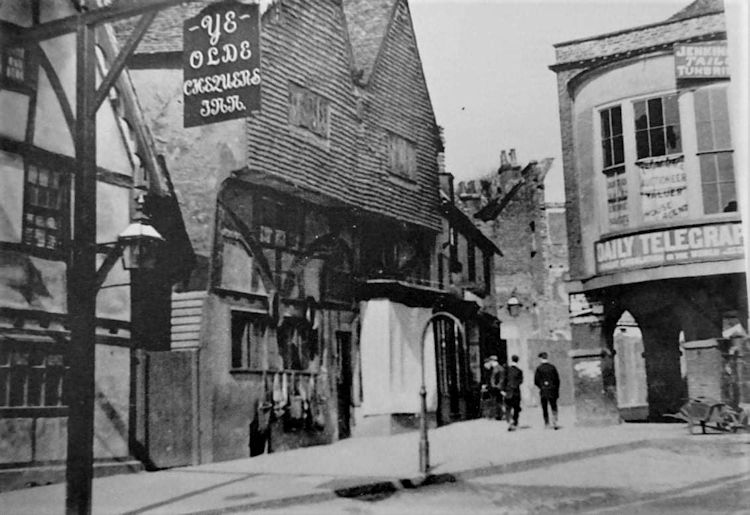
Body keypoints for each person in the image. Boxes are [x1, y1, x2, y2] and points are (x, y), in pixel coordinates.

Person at [534, 352, 561, 429]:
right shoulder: (552, 367)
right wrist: (555, 388)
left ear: (540, 358)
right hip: (552, 390)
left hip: (544, 390)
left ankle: (546, 423)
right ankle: (555, 420)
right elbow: (557, 380)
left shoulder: (539, 368)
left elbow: (536, 381)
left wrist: (542, 386)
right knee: (553, 405)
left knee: (544, 407)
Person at [503, 354, 523, 431]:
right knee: (516, 408)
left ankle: (509, 421)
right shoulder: (519, 371)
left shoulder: (507, 370)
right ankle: (515, 422)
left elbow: (504, 380)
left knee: (508, 407)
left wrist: (503, 390)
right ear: (517, 361)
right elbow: (520, 381)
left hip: (508, 392)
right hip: (516, 392)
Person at [483, 355, 505, 420]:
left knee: (498, 401)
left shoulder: (499, 368)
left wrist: (498, 387)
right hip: (494, 388)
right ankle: (497, 414)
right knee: (495, 401)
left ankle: (499, 415)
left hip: (496, 388)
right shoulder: (494, 368)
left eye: (491, 361)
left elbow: (501, 379)